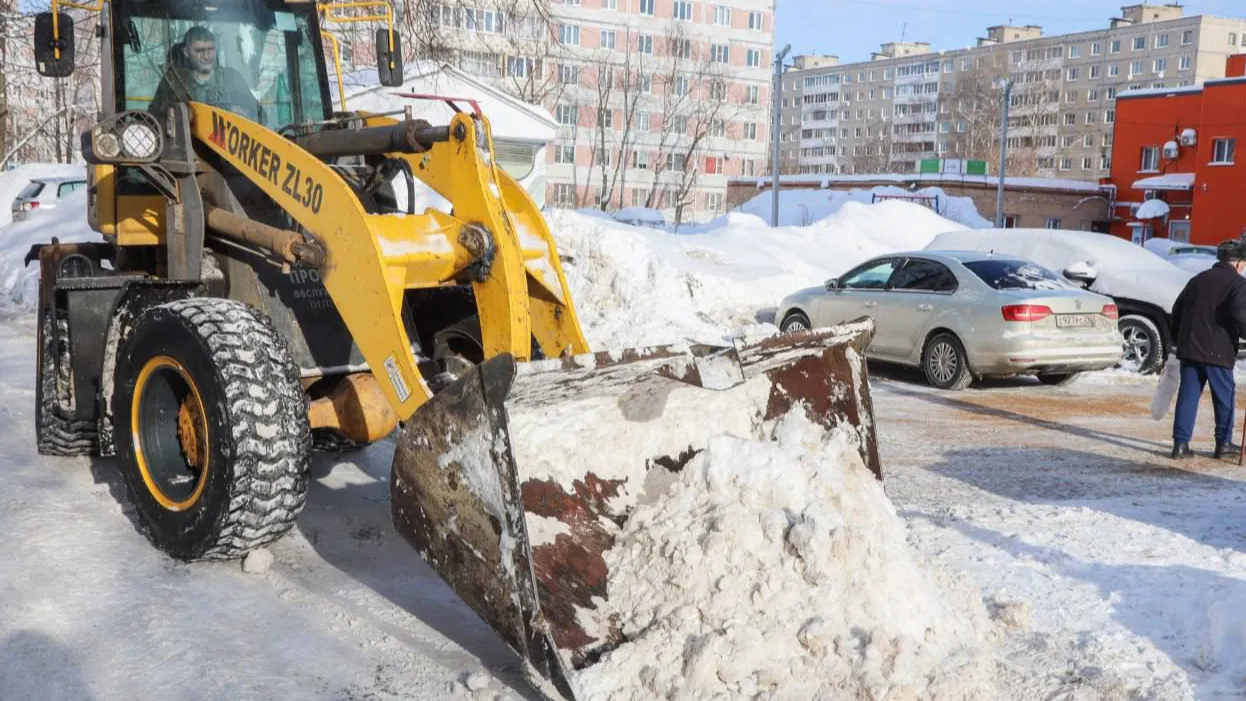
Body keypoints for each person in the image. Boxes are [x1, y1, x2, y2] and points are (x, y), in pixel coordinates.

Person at [1168, 238, 1246, 459]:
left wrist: (1177, 339)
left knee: (1188, 396)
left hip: (1190, 349)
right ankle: (1223, 444)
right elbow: (1240, 315)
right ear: (1238, 263)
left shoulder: (1197, 280)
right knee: (1224, 398)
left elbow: (1177, 310)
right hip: (1218, 351)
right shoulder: (1238, 284)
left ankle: (1180, 445)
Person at [149, 26, 260, 122]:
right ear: (186, 52)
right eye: (199, 51)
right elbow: (153, 119)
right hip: (184, 140)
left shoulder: (231, 79)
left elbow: (260, 115)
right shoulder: (173, 81)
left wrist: (244, 113)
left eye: (210, 49)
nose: (206, 56)